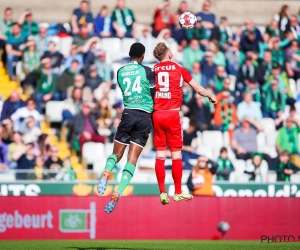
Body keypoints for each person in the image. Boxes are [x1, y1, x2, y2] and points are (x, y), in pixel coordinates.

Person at [152, 42, 216, 205]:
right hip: (173, 115)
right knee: (176, 156)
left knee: (160, 155)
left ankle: (162, 192)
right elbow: (197, 88)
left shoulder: (154, 70)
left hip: (158, 114)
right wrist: (209, 95)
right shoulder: (179, 69)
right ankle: (178, 192)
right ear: (169, 54)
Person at [97, 43, 155, 213]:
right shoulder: (148, 71)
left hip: (128, 113)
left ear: (129, 55)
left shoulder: (120, 72)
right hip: (144, 117)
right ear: (143, 56)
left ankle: (107, 172)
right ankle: (119, 190)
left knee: (116, 154)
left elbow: (124, 91)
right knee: (132, 160)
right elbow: (153, 94)